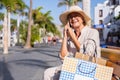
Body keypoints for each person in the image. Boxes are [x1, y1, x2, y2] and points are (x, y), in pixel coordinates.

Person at [44, 5, 101, 80]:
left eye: (76, 15)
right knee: (48, 73)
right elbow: (63, 58)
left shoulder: (92, 32)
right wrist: (65, 36)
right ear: (68, 22)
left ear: (83, 19)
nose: (73, 18)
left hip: (88, 70)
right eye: (70, 17)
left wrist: (73, 37)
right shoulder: (69, 37)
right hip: (72, 68)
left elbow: (87, 56)